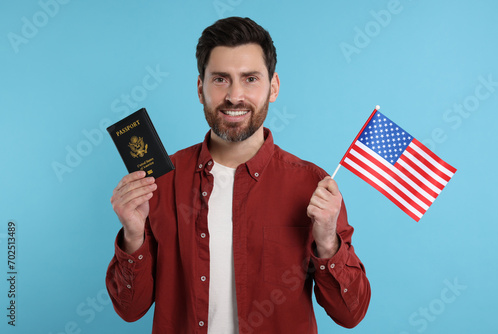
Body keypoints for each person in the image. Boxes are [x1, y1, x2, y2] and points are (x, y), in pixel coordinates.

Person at [106, 16, 370, 334]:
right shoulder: (160, 181)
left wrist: (327, 242)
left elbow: (350, 314)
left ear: (273, 87)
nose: (234, 96)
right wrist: (133, 237)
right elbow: (129, 309)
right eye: (220, 79)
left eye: (250, 79)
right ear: (200, 88)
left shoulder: (312, 184)